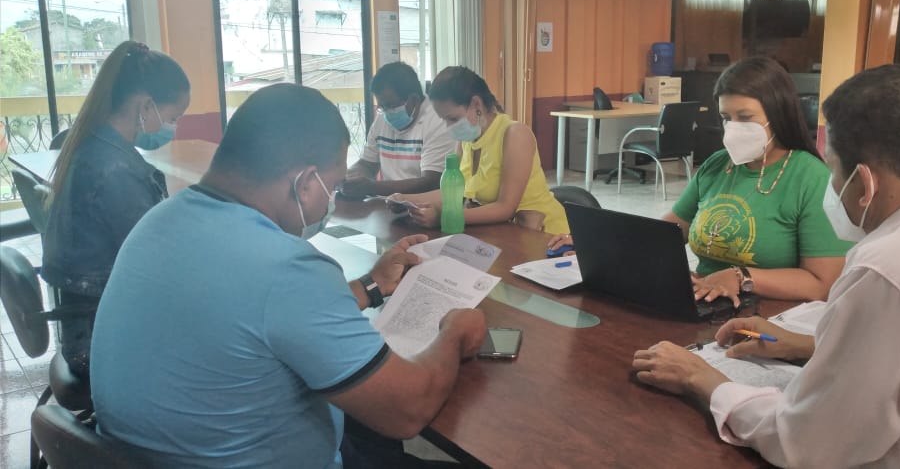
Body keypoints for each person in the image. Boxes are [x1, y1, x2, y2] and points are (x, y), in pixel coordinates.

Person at [631, 64, 900, 467]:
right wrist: (811, 346)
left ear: (864, 182)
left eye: (833, 171)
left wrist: (702, 379)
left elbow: (806, 443)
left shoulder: (886, 273)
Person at [90, 83, 487, 468]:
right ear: (304, 183)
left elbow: (258, 315)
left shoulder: (159, 221)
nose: (330, 201)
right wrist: (453, 332)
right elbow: (408, 410)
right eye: (333, 187)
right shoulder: (286, 267)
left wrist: (370, 285)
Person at [549, 57, 849, 304]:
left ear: (778, 114)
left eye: (745, 117)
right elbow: (667, 233)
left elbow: (821, 284)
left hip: (770, 315)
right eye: (726, 118)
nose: (733, 128)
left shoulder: (811, 177)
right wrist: (602, 241)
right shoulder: (718, 165)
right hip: (706, 303)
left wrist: (740, 277)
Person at [42, 40, 190, 379]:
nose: (173, 126)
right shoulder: (115, 171)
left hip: (85, 329)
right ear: (146, 106)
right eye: (173, 117)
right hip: (101, 345)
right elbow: (154, 263)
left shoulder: (93, 146)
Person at [390, 66, 570, 234]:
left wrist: (445, 217)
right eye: (444, 120)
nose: (448, 127)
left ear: (476, 104)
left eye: (453, 119)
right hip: (503, 232)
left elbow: (505, 208)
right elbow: (453, 193)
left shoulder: (515, 134)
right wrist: (406, 199)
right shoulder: (466, 140)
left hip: (543, 235)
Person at [339, 62, 455, 199]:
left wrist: (373, 187)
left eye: (390, 105)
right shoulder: (382, 119)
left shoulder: (438, 121)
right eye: (382, 107)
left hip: (424, 206)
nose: (386, 111)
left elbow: (431, 182)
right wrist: (350, 177)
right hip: (387, 203)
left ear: (413, 99)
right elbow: (367, 165)